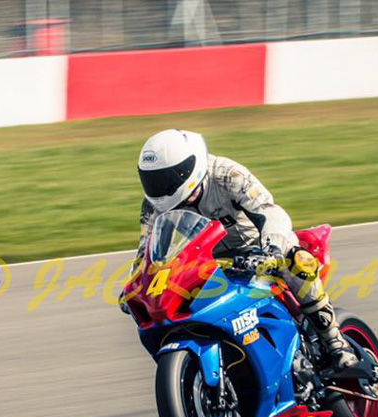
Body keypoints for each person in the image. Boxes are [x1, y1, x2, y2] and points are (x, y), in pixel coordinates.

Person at [125, 129, 357, 370]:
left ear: (187, 168)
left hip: (259, 248)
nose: (159, 187)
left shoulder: (227, 175)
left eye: (165, 179)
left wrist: (272, 248)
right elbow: (146, 250)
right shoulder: (154, 205)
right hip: (208, 261)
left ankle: (335, 342)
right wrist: (137, 284)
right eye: (152, 180)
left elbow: (269, 210)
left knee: (297, 260)